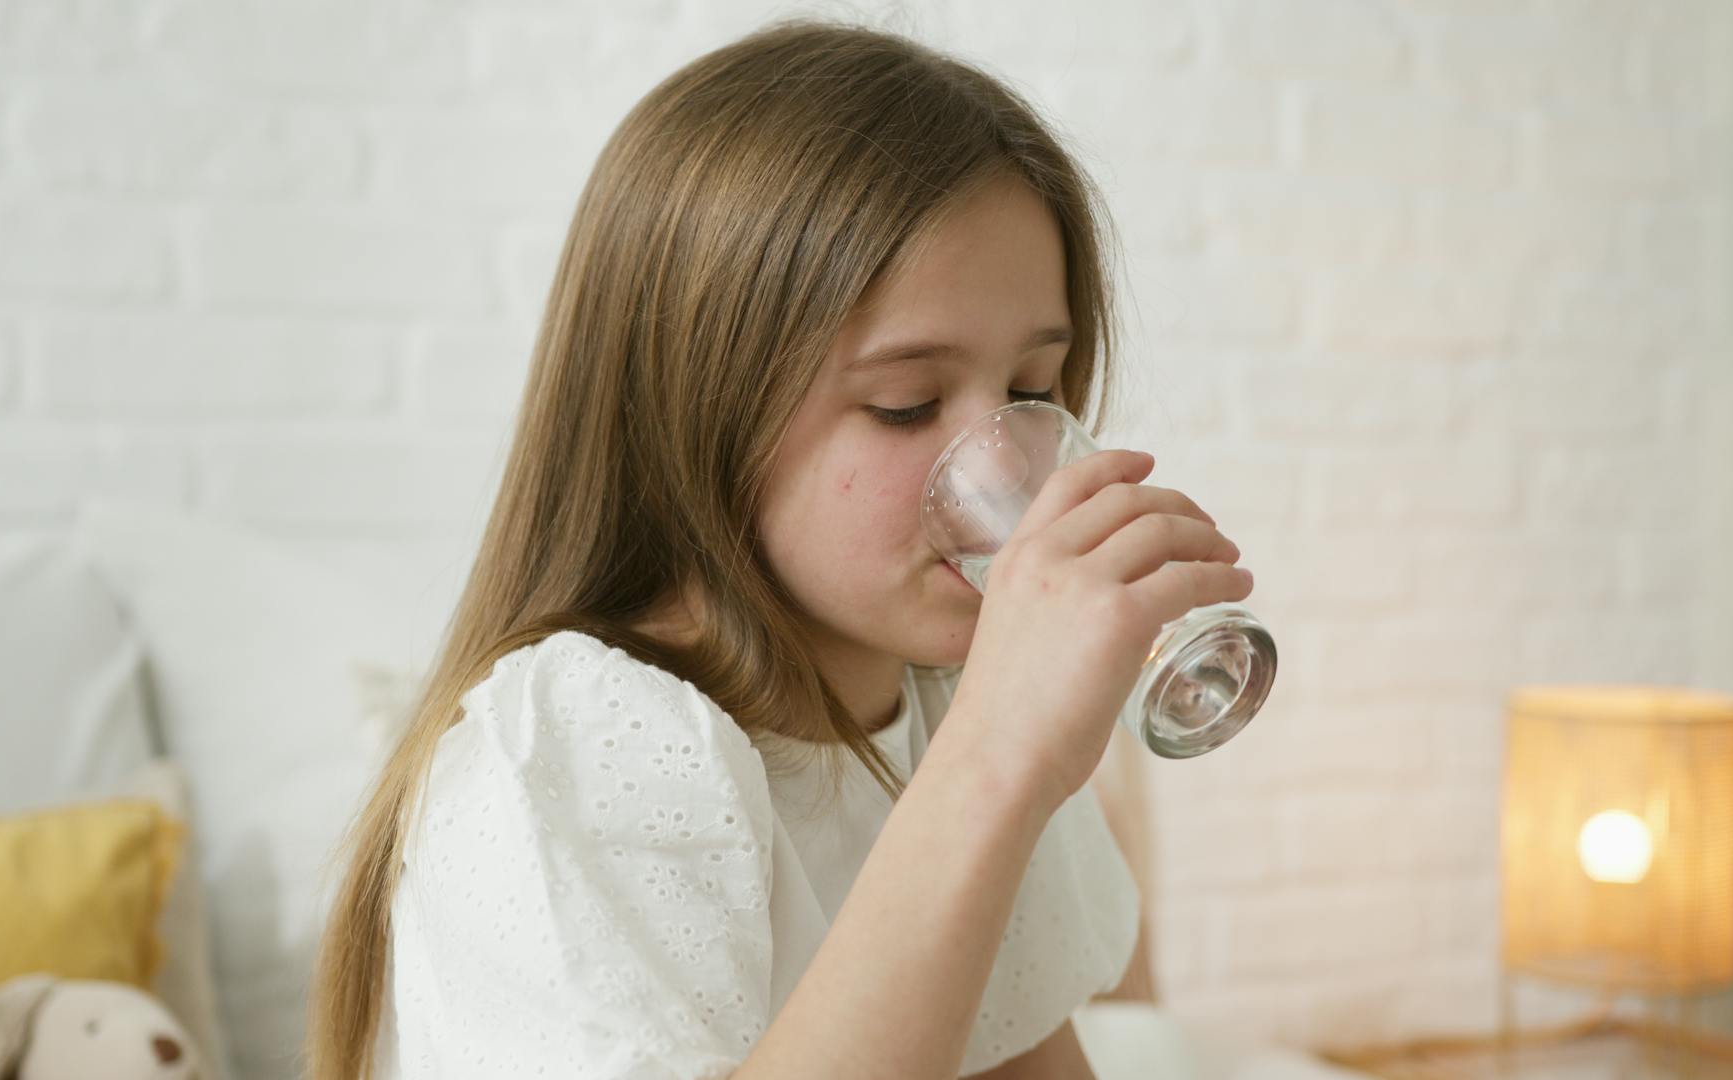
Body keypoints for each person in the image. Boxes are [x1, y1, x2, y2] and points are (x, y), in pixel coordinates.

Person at [306, 16, 1253, 1080]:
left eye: (1032, 391)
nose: (1008, 465)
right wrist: (1000, 763)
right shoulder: (584, 739)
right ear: (699, 411)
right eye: (905, 404)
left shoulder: (940, 702)